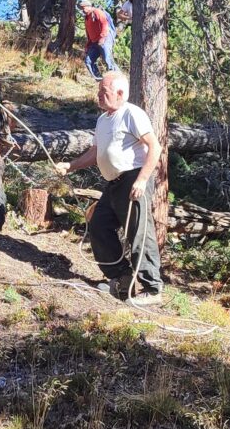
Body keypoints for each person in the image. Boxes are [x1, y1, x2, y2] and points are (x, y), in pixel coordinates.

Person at [54, 72, 165, 306]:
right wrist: (70, 166)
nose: (99, 97)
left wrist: (142, 180)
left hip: (132, 180)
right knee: (98, 225)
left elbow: (154, 147)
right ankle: (121, 278)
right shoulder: (103, 120)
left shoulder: (132, 114)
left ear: (120, 94)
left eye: (104, 93)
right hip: (113, 184)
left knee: (138, 233)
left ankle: (153, 288)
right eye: (98, 93)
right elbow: (96, 153)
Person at [79, 0, 117, 81]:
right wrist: (87, 45)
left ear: (88, 6)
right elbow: (89, 33)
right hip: (94, 42)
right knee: (88, 61)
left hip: (105, 38)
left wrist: (103, 37)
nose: (82, 10)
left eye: (83, 7)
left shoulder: (96, 12)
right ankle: (100, 80)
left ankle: (117, 79)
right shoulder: (86, 18)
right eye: (81, 8)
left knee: (108, 59)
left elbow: (104, 24)